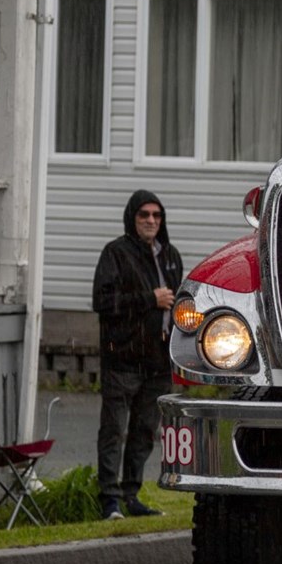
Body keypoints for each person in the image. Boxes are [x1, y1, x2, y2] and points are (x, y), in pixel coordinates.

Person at [92, 191, 184, 521]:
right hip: (124, 359)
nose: (151, 221)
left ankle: (131, 495)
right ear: (133, 217)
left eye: (157, 216)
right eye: (144, 215)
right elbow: (103, 302)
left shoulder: (170, 255)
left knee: (146, 431)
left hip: (157, 360)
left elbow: (176, 304)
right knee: (114, 430)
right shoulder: (115, 253)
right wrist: (149, 298)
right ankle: (109, 501)